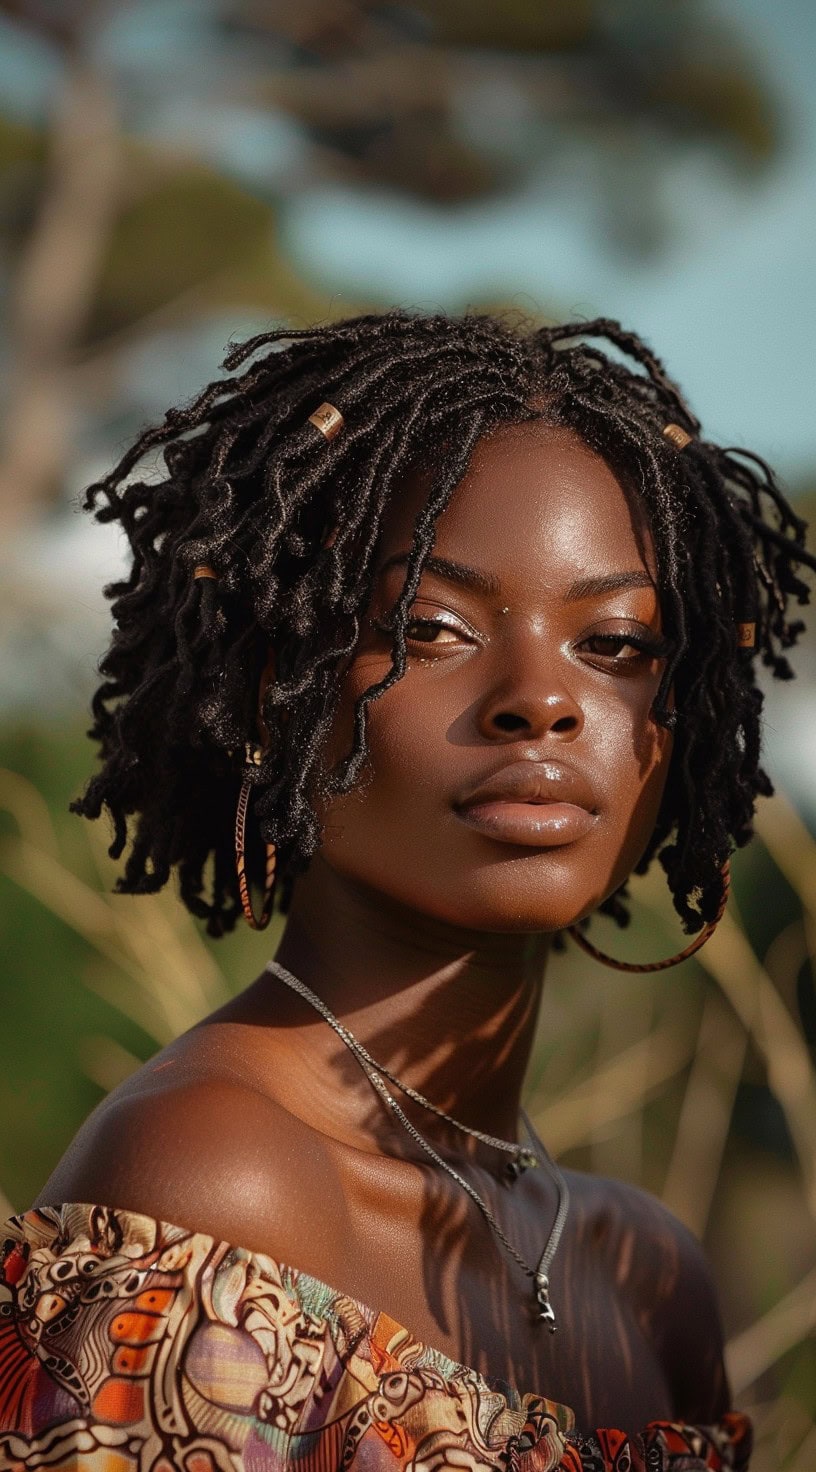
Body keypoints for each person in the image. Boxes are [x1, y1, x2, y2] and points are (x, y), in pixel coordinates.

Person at [1, 311, 813, 1472]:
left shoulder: (651, 1277)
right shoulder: (216, 1180)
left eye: (618, 642)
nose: (542, 699)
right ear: (281, 686)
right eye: (431, 628)